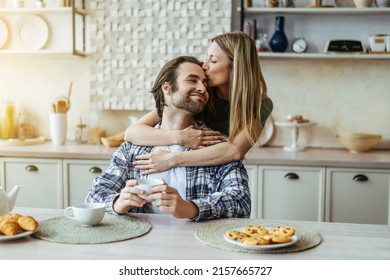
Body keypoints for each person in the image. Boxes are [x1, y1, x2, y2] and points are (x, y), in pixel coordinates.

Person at [86, 56, 251, 221]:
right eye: (192, 80)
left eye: (205, 84)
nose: (202, 88)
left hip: (197, 245)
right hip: (140, 244)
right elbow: (94, 197)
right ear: (167, 88)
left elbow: (241, 202)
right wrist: (118, 202)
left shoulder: (217, 145)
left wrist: (190, 208)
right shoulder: (133, 149)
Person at [124, 31, 273, 174]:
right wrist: (180, 137)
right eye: (206, 58)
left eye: (213, 60)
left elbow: (234, 151)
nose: (204, 66)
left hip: (215, 172)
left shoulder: (260, 104)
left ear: (236, 67)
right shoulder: (200, 94)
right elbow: (132, 132)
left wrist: (170, 160)